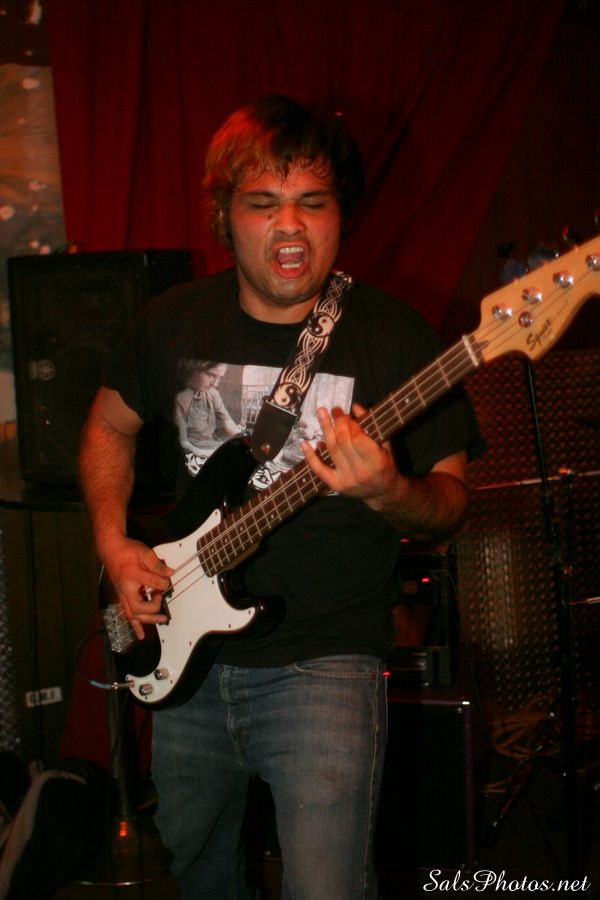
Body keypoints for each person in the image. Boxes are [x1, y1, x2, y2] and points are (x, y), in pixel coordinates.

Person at [78, 95, 483, 900]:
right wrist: (114, 544)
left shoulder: (395, 337)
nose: (289, 226)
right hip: (184, 663)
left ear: (342, 215)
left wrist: (389, 491)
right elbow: (107, 428)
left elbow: (452, 504)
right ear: (225, 218)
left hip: (325, 663)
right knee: (199, 875)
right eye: (263, 203)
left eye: (313, 202)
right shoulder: (170, 323)